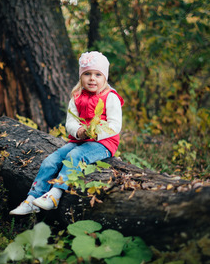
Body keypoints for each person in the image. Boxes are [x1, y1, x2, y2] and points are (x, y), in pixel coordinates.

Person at [10, 51, 124, 215]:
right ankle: (31, 199)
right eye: (87, 74)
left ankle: (55, 194)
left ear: (105, 77)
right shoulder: (76, 97)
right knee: (50, 161)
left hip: (103, 143)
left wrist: (96, 133)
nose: (92, 78)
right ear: (81, 77)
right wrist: (78, 131)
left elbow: (115, 125)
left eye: (98, 74)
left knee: (75, 156)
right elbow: (71, 122)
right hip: (80, 140)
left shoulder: (110, 97)